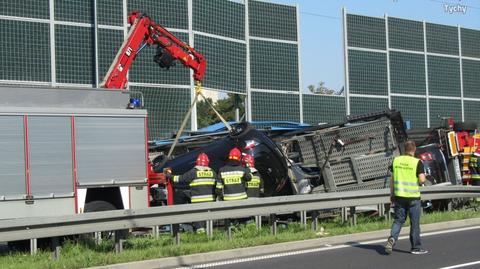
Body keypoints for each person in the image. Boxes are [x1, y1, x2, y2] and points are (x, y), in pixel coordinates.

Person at [385, 140, 428, 255]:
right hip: (413, 197)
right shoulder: (417, 162)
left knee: (398, 220)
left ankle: (392, 238)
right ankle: (416, 248)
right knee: (414, 223)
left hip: (399, 197)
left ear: (404, 149)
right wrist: (422, 178)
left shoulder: (396, 160)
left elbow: (392, 180)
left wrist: (391, 195)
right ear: (414, 149)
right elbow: (422, 179)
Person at [170, 152, 217, 233]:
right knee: (208, 219)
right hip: (210, 201)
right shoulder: (213, 173)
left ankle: (201, 236)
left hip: (198, 202)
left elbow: (180, 179)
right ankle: (209, 234)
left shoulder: (193, 172)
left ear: (197, 162)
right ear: (207, 162)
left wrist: (169, 176)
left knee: (199, 220)